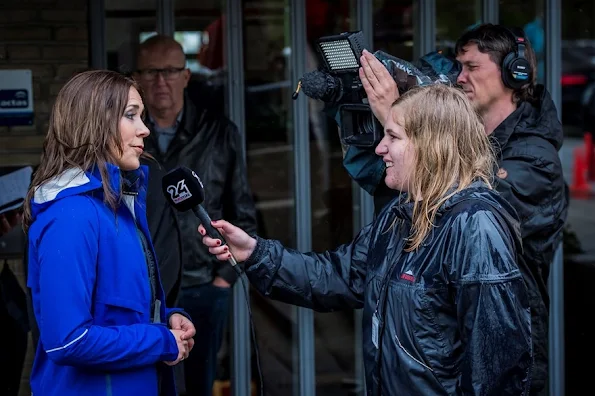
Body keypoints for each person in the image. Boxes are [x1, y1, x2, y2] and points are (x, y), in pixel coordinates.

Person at [200, 84, 533, 395]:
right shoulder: (400, 215)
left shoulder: (474, 225)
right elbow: (336, 276)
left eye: (393, 136)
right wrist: (254, 253)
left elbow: (496, 367)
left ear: (432, 144)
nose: (380, 148)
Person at [349, 23, 567, 395]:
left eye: (472, 67)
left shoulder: (536, 160)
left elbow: (456, 205)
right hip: (447, 346)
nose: (459, 77)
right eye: (458, 66)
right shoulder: (468, 141)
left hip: (499, 356)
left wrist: (398, 118)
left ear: (515, 72)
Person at [23, 70, 196, 396]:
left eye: (142, 116)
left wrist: (166, 320)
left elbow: (115, 311)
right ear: (94, 123)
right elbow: (68, 340)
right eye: (131, 115)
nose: (145, 129)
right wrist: (161, 341)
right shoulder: (71, 217)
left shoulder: (117, 207)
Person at [134, 35, 258, 395]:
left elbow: (243, 210)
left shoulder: (219, 133)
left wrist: (222, 279)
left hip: (203, 283)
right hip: (144, 288)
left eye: (170, 71)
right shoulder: (125, 139)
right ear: (138, 78)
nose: (161, 81)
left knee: (199, 383)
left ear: (186, 76)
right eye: (151, 71)